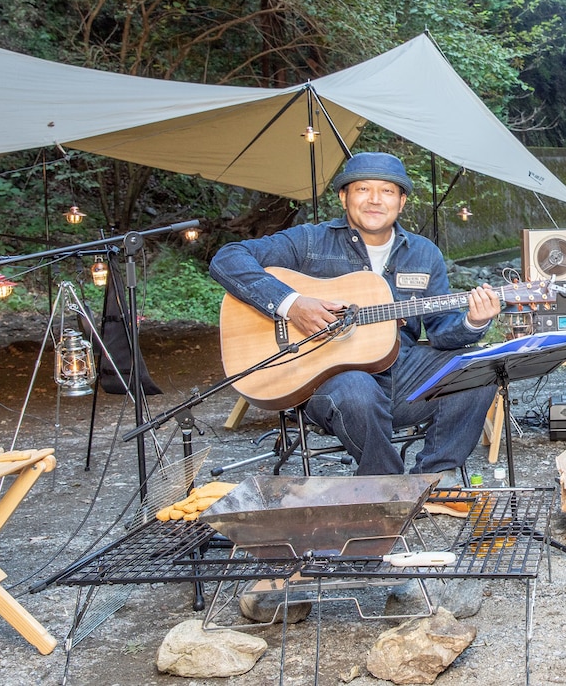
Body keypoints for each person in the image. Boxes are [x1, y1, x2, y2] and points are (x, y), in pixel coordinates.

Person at [210, 152, 501, 511]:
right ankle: (387, 486)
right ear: (343, 197)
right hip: (325, 383)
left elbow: (442, 333)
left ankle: (436, 480)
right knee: (357, 388)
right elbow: (228, 258)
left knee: (479, 366)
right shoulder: (311, 242)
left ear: (402, 201)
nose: (375, 199)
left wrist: (474, 321)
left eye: (388, 191)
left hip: (401, 376)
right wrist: (291, 304)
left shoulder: (424, 254)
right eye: (363, 188)